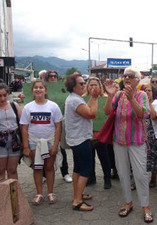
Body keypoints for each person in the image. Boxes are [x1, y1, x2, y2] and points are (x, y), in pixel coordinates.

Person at [104, 67, 154, 223]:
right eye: (125, 76)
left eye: (131, 76)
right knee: (123, 173)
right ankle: (128, 202)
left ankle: (145, 206)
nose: (126, 78)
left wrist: (132, 98)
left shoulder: (141, 95)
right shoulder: (118, 95)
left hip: (137, 141)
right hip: (119, 141)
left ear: (137, 80)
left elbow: (143, 114)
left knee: (140, 174)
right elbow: (107, 112)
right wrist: (110, 95)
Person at [20, 80, 62, 205]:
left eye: (41, 87)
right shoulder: (28, 107)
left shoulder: (53, 106)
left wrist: (55, 145)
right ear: (32, 90)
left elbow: (58, 126)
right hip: (33, 142)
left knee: (49, 167)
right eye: (36, 87)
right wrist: (26, 146)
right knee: (37, 167)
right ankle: (39, 193)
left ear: (45, 90)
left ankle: (50, 192)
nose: (38, 90)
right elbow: (24, 127)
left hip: (49, 141)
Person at [65, 73, 99, 211]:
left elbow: (88, 110)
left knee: (78, 168)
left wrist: (91, 97)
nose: (84, 85)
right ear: (73, 86)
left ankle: (77, 195)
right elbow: (91, 114)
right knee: (86, 168)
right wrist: (95, 98)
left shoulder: (75, 98)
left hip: (76, 138)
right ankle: (77, 201)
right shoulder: (75, 100)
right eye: (81, 83)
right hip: (80, 139)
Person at [83, 76, 113, 189]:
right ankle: (91, 178)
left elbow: (108, 114)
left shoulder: (105, 98)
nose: (93, 87)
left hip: (101, 134)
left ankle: (107, 179)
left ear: (100, 86)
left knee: (104, 158)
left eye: (96, 85)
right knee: (89, 159)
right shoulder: (83, 98)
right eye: (91, 85)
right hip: (88, 135)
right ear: (87, 86)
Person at [43, 70, 72, 183]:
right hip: (45, 123)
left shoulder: (62, 89)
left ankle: (65, 172)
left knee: (61, 148)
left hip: (60, 121)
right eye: (50, 76)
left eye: (55, 76)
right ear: (47, 78)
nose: (53, 78)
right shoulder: (43, 89)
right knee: (45, 150)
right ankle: (45, 174)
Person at [144, 84, 157, 188]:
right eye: (145, 91)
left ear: (154, 93)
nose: (147, 92)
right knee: (143, 157)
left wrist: (149, 103)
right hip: (143, 134)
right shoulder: (141, 102)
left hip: (154, 135)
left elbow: (154, 116)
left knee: (154, 156)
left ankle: (153, 178)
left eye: (149, 91)